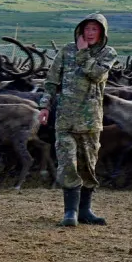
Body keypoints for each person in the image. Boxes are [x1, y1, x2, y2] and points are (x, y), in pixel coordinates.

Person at [38, 13, 117, 227]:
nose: (90, 33)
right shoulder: (66, 51)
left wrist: (83, 53)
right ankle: (70, 212)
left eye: (94, 29)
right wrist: (44, 105)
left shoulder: (107, 53)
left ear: (102, 32)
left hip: (91, 121)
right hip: (65, 120)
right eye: (87, 29)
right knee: (67, 165)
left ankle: (85, 211)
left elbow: (98, 75)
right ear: (80, 30)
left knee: (88, 166)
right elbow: (51, 81)